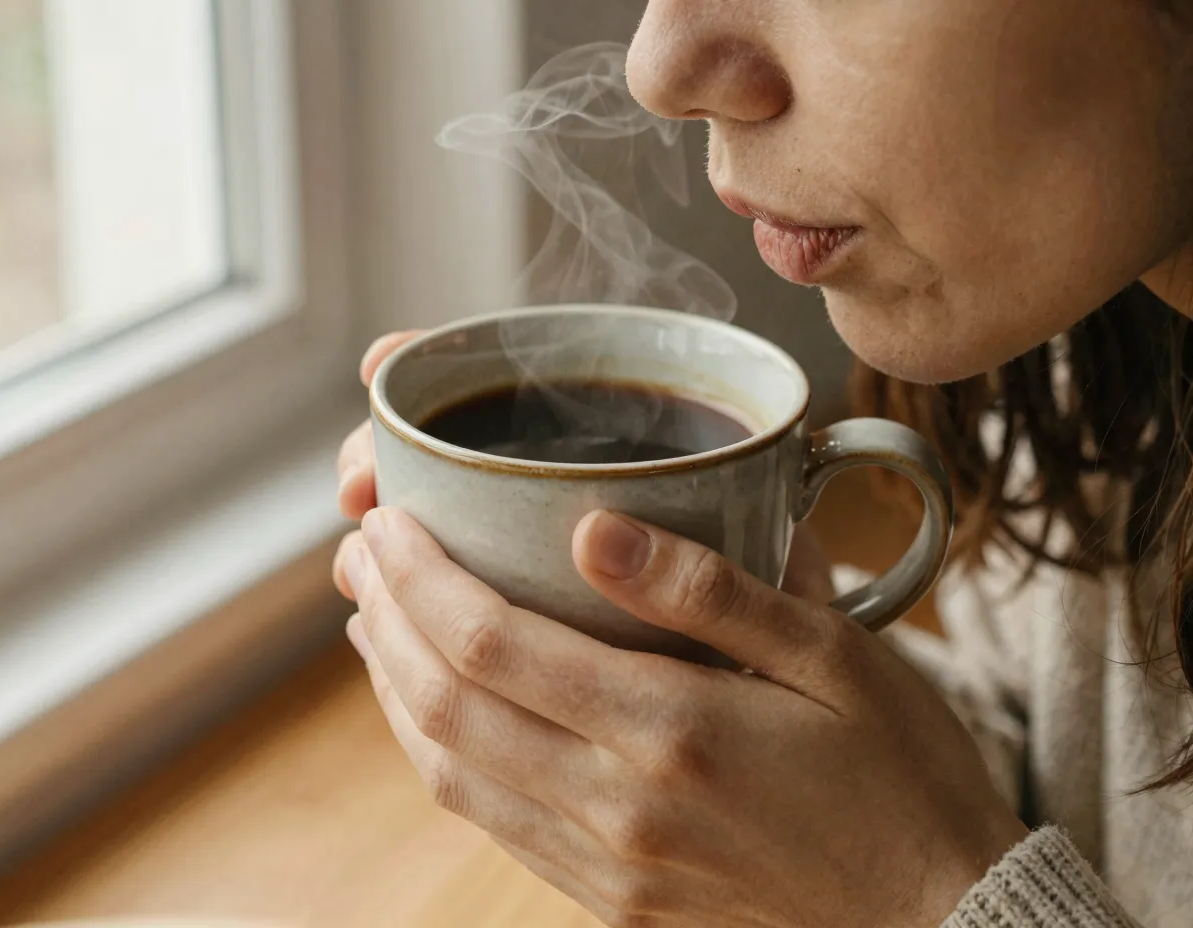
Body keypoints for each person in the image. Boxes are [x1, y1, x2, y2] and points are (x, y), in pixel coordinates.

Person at [332, 2, 1193, 925]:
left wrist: (912, 895)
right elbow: (1077, 787)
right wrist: (771, 653)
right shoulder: (1094, 372)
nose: (657, 68)